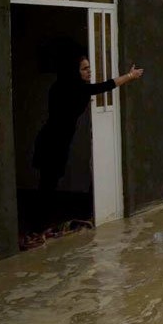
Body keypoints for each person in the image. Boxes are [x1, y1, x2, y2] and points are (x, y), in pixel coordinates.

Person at [32, 55, 143, 233]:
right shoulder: (72, 89)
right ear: (73, 72)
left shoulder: (66, 87)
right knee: (48, 183)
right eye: (84, 68)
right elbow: (105, 86)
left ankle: (40, 223)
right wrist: (130, 76)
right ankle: (38, 226)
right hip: (52, 142)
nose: (89, 71)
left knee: (48, 182)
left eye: (89, 67)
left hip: (55, 139)